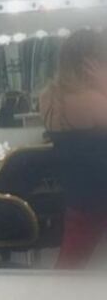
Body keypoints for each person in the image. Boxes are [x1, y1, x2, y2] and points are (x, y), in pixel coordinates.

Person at [40, 28, 107, 268]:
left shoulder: (47, 98)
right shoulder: (93, 101)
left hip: (79, 199)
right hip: (102, 193)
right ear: (92, 63)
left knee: (69, 270)